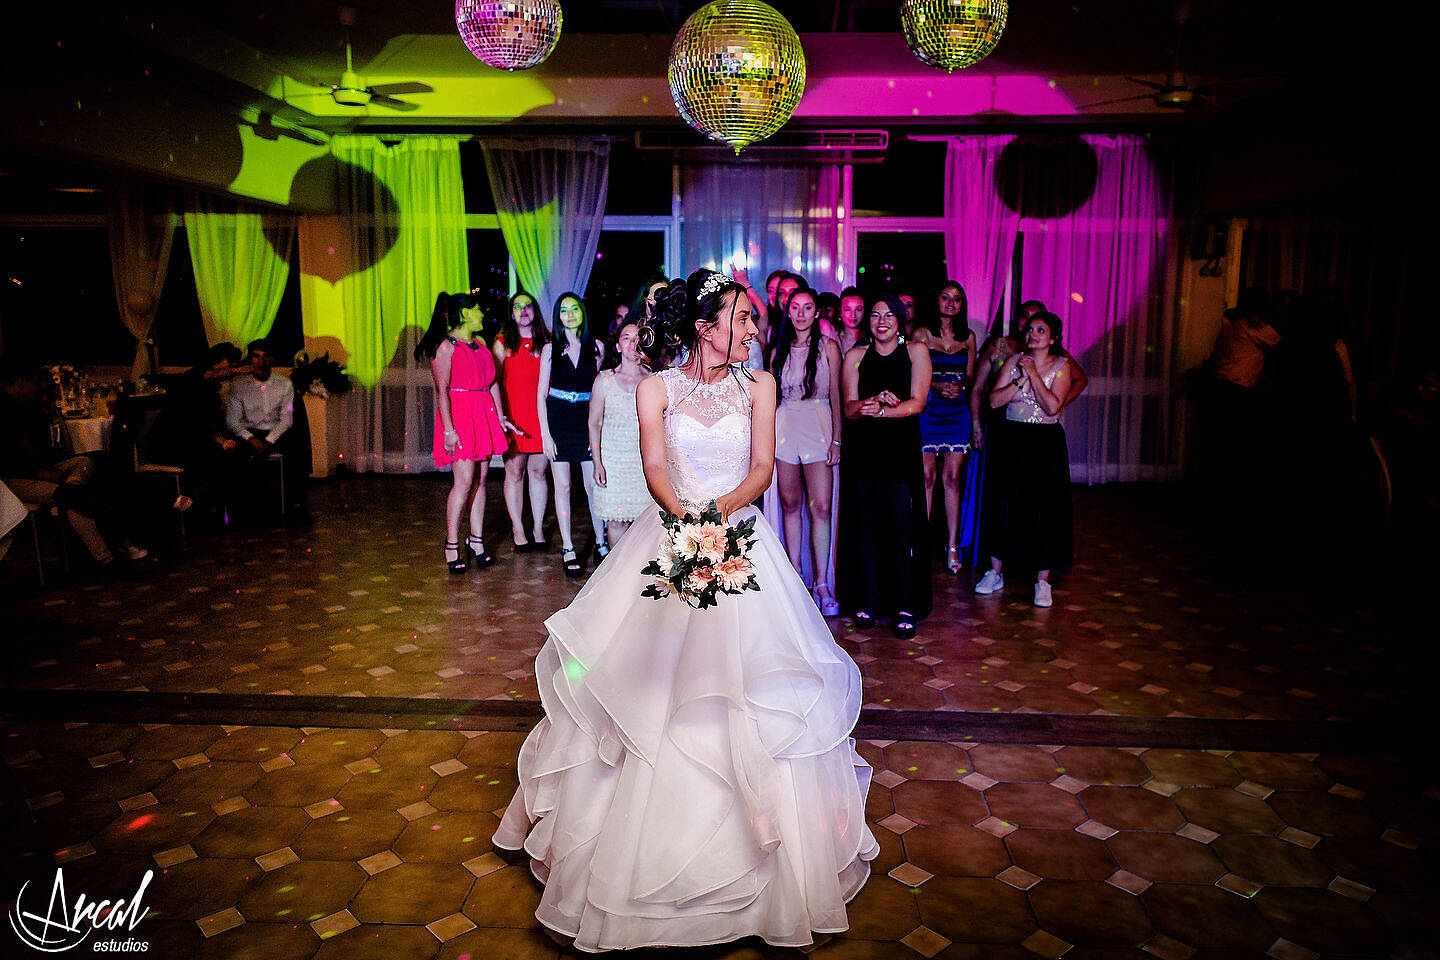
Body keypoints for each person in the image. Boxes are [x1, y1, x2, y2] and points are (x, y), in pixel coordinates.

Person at [494, 268, 877, 952]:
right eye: (743, 318)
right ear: (704, 327)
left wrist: (715, 522)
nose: (756, 330)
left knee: (743, 685)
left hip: (736, 534)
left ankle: (762, 849)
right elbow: (655, 468)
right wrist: (686, 523)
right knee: (654, 687)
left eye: (756, 319)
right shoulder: (656, 387)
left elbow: (761, 469)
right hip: (670, 532)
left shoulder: (759, 386)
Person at [836, 293, 934, 638]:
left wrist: (883, 410)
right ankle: (867, 599)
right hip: (865, 451)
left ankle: (905, 603)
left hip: (901, 450)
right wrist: (870, 401)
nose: (881, 321)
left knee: (902, 527)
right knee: (866, 526)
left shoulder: (916, 351)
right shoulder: (856, 356)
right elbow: (849, 408)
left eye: (888, 315)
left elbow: (918, 402)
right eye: (875, 315)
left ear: (900, 318)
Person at [0, 363, 140, 570]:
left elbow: (50, 451)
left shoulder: (27, 407)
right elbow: (9, 458)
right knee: (72, 498)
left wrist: (47, 416)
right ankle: (107, 558)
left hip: (38, 471)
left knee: (85, 463)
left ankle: (74, 486)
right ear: (21, 384)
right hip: (11, 480)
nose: (43, 392)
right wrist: (38, 471)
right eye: (39, 386)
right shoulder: (3, 408)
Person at [976, 311, 1074, 608]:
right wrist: (1019, 381)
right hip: (1011, 439)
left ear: (1053, 338)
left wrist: (1033, 375)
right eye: (1030, 329)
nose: (1033, 335)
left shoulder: (1062, 366)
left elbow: (1052, 407)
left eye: (1040, 330)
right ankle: (995, 572)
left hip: (1044, 442)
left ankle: (1042, 581)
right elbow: (993, 401)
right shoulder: (1012, 361)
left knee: (1044, 508)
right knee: (1004, 503)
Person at [418, 292, 513, 574]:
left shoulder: (481, 343)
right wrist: (449, 430)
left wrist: (500, 416)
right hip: (460, 416)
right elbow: (441, 391)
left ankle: (476, 540)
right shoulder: (445, 347)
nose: (482, 315)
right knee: (463, 481)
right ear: (464, 314)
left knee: (482, 478)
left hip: (483, 412)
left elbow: (492, 382)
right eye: (477, 310)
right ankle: (451, 544)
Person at [769, 287, 843, 616]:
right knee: (789, 503)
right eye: (795, 307)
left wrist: (837, 439)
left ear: (817, 313)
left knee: (821, 507)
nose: (800, 313)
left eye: (807, 307)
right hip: (786, 424)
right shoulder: (778, 350)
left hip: (819, 422)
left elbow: (839, 397)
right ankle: (796, 576)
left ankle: (823, 584)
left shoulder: (829, 347)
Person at [538, 292, 605, 576]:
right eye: (564, 310)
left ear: (582, 312)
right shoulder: (550, 349)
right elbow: (541, 395)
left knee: (593, 485)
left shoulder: (597, 347)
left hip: (585, 420)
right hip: (559, 419)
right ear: (558, 317)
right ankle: (567, 546)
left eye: (574, 309)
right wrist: (545, 435)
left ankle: (602, 542)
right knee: (562, 486)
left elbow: (599, 393)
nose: (569, 314)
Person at [914, 281, 978, 574]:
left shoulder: (969, 337)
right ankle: (922, 544)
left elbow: (972, 377)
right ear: (936, 300)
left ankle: (952, 545)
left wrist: (958, 386)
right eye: (945, 297)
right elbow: (912, 374)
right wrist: (937, 385)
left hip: (957, 412)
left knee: (952, 478)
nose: (951, 303)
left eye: (957, 299)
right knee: (926, 476)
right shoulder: (921, 334)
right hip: (928, 409)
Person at [224, 339, 308, 522]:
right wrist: (251, 439)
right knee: (232, 452)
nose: (260, 362)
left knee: (297, 445)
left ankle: (294, 502)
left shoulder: (284, 384)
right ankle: (242, 507)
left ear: (272, 359)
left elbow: (286, 420)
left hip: (276, 432)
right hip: (248, 433)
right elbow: (233, 420)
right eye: (256, 357)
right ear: (250, 359)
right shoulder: (239, 385)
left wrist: (269, 440)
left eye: (265, 357)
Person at [494, 292, 551, 553]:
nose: (523, 310)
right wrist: (500, 418)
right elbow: (493, 383)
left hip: (540, 418)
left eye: (527, 305)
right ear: (511, 313)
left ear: (535, 310)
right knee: (514, 474)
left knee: (538, 473)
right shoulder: (503, 343)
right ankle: (518, 528)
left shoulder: (547, 341)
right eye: (517, 306)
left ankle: (538, 528)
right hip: (514, 418)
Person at [588, 317, 649, 551]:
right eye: (627, 337)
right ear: (617, 345)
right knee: (616, 520)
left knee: (645, 523)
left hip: (642, 462)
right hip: (613, 459)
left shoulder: (653, 380)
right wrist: (597, 462)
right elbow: (594, 423)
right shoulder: (604, 380)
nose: (632, 342)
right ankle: (617, 576)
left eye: (638, 338)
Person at [837, 286, 866, 356]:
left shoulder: (872, 338)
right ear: (840, 311)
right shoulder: (833, 338)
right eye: (847, 310)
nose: (853, 315)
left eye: (858, 310)